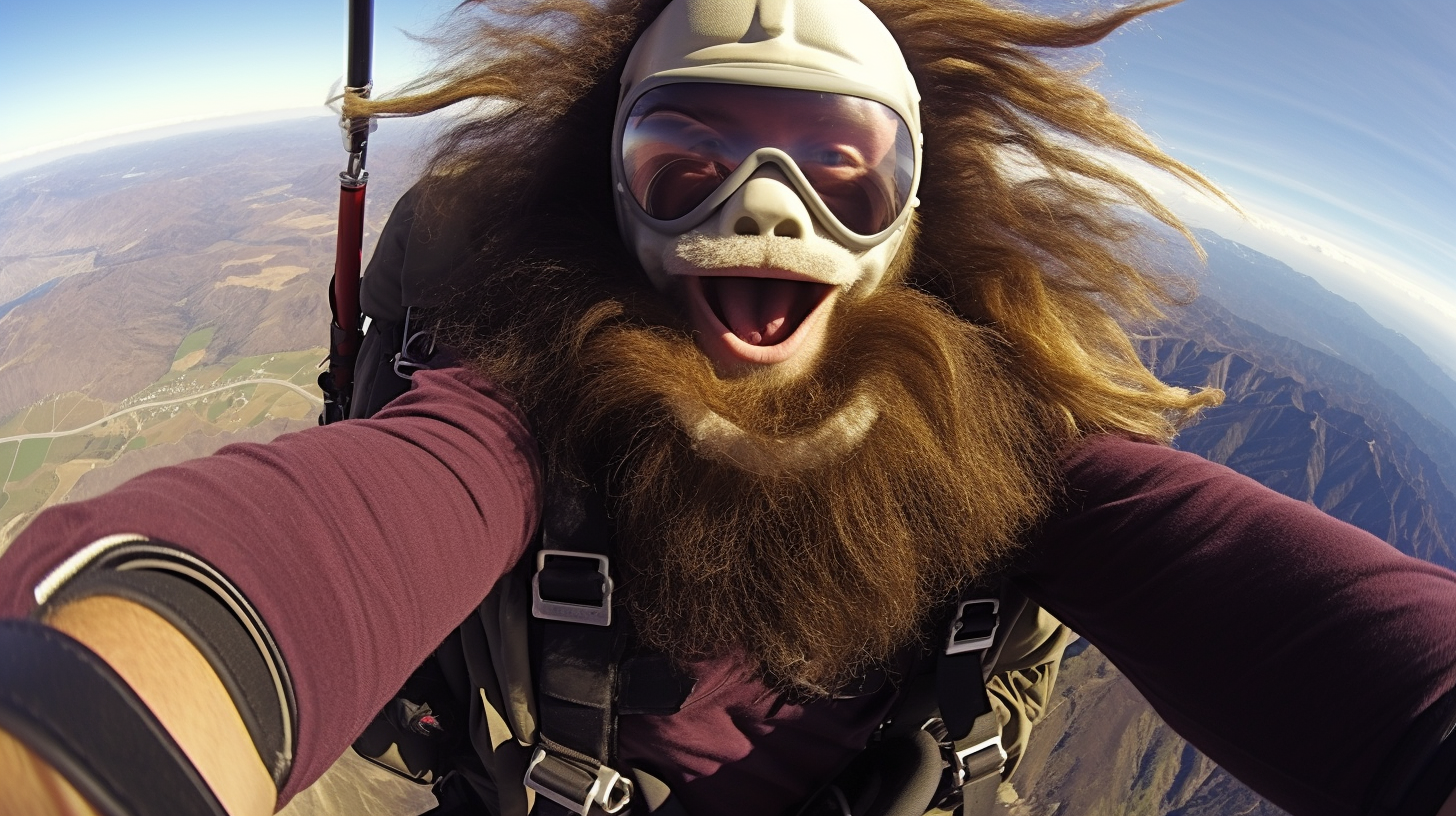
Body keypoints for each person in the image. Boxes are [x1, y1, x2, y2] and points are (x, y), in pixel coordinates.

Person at [3, 0, 1456, 815]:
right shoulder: (528, 403)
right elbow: (319, 541)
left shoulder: (1007, 454)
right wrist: (68, 726)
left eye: (841, 167)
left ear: (910, 221)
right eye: (687, 160)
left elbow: (1283, 603)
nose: (766, 212)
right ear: (611, 193)